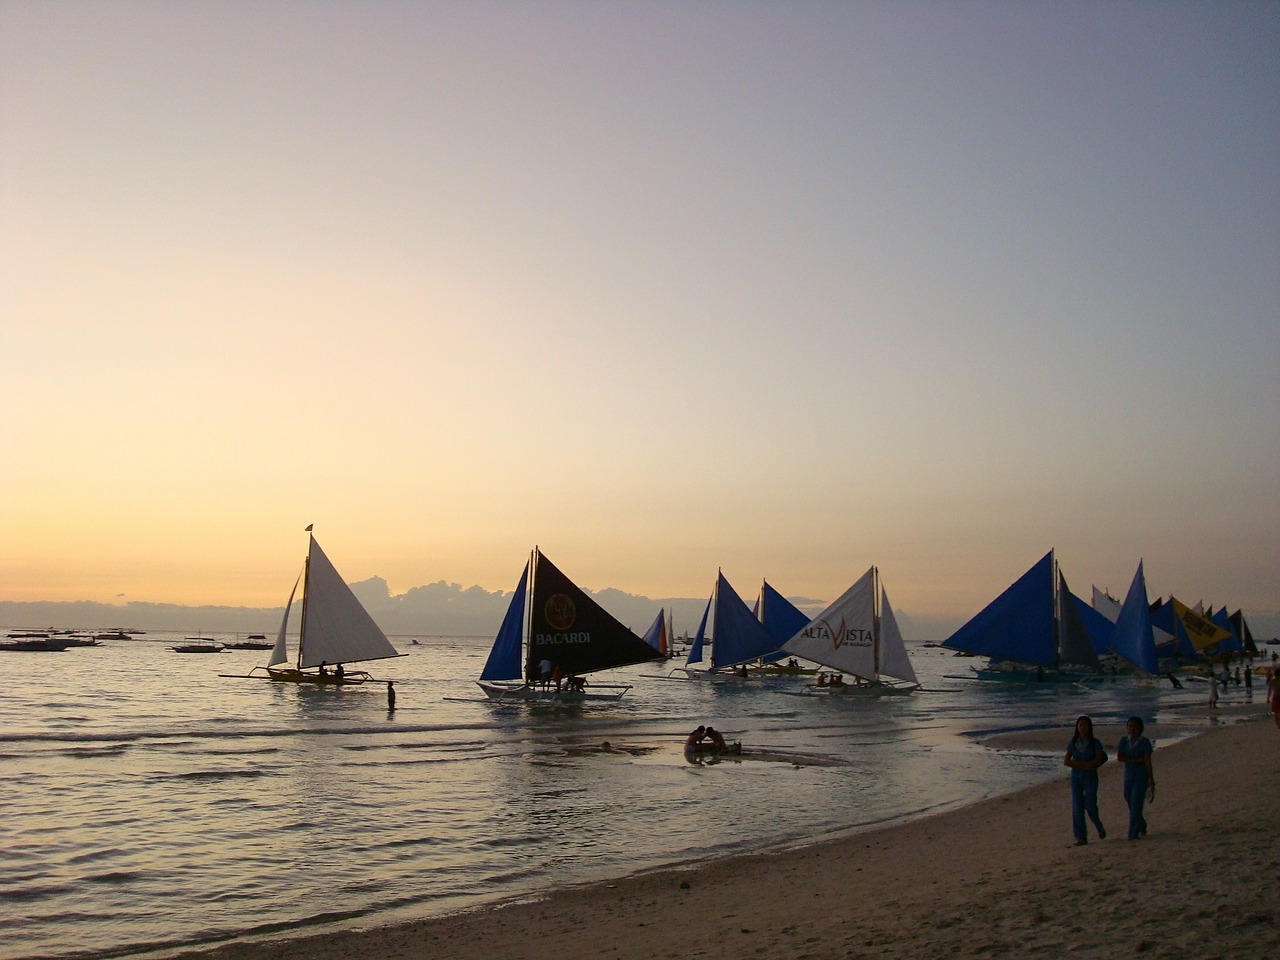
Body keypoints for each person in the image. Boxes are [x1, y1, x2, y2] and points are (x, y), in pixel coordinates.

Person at [1064, 715, 1107, 845]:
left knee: (1090, 805)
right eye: (1080, 725)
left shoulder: (1095, 743)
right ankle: (1080, 837)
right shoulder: (1073, 742)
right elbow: (1066, 760)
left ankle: (1098, 825)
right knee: (1077, 807)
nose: (1083, 728)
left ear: (1089, 727)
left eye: (1085, 725)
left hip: (1090, 777)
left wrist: (1083, 764)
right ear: (1077, 727)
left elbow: (1099, 760)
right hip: (1076, 777)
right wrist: (1084, 765)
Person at [1116, 716, 1155, 840]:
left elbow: (1148, 761)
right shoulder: (1123, 741)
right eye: (1130, 726)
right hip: (1129, 776)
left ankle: (1132, 834)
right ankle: (1141, 824)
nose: (1132, 729)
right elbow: (1120, 757)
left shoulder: (1144, 742)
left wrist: (1151, 778)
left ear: (1140, 728)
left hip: (1141, 776)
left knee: (1136, 803)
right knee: (1129, 800)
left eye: (1135, 726)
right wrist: (1136, 760)